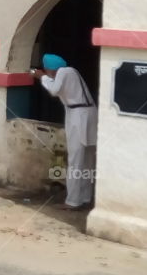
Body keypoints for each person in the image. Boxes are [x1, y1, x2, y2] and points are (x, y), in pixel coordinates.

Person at [30, 53, 97, 210]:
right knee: (87, 159)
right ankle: (85, 197)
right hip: (87, 113)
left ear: (49, 68)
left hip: (79, 116)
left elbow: (54, 90)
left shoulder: (63, 71)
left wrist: (41, 77)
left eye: (46, 70)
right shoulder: (71, 72)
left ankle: (72, 201)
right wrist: (43, 77)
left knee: (75, 158)